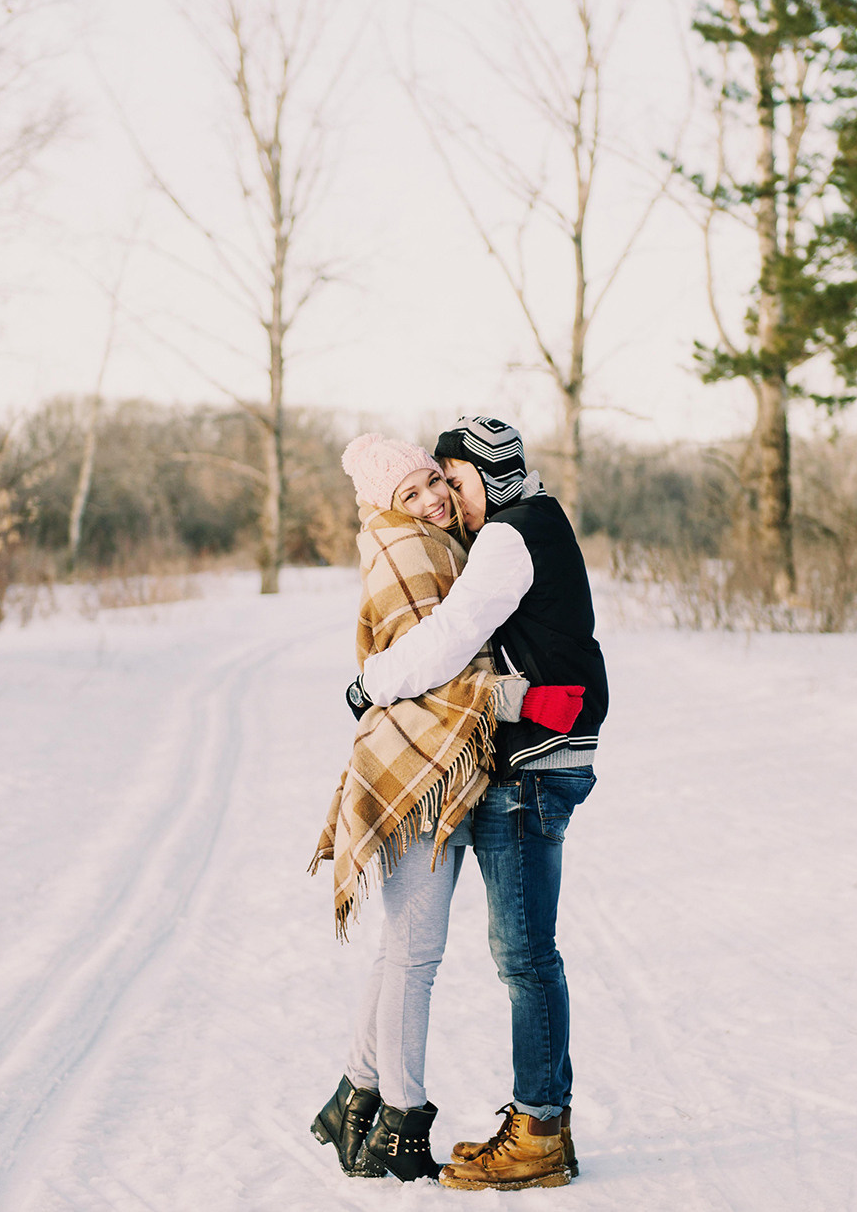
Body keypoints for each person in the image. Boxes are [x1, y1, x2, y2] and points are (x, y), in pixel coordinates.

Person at [351, 415, 609, 1193]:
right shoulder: (544, 517)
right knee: (522, 955)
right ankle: (537, 1122)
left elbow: (454, 633)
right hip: (543, 757)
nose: (448, 498)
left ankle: (538, 1130)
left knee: (526, 956)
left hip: (532, 767)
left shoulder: (505, 534)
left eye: (454, 480)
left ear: (490, 478)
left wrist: (372, 682)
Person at [308, 433, 524, 1183]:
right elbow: (434, 660)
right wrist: (509, 693)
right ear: (384, 505)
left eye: (435, 481)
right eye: (412, 493)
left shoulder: (430, 542)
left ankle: (354, 1099)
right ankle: (399, 1118)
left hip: (435, 766)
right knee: (415, 956)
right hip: (418, 764)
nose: (433, 499)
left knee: (402, 952)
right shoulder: (405, 549)